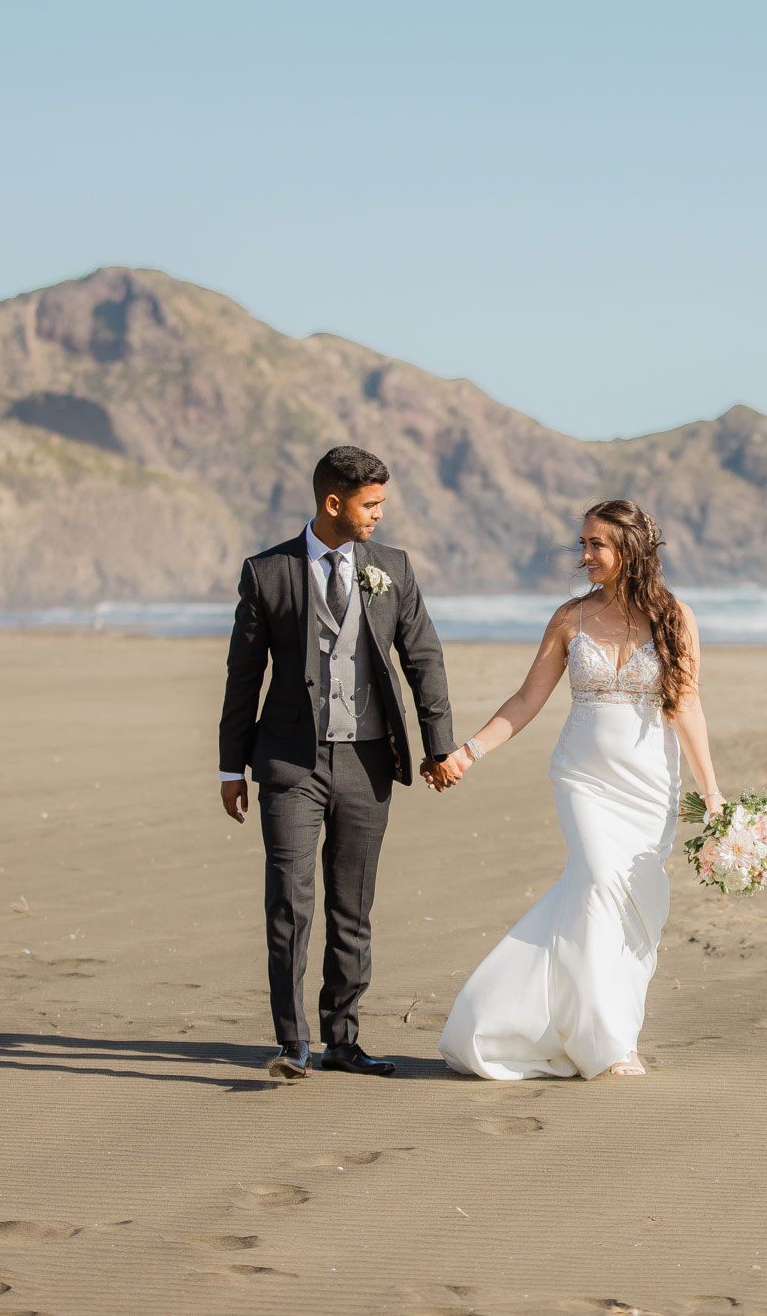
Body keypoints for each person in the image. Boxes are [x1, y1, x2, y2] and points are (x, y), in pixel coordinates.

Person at [436, 499, 721, 1079]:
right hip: (583, 779)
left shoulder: (675, 618)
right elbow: (526, 700)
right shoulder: (570, 619)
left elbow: (687, 709)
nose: (584, 555)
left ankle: (592, 1023)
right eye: (583, 543)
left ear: (632, 551)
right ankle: (608, 1045)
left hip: (648, 789)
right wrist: (469, 752)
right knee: (595, 883)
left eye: (598, 545)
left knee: (632, 909)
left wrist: (712, 794)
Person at [217, 445, 457, 1079]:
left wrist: (438, 748)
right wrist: (228, 767)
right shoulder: (267, 572)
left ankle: (342, 1040)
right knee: (290, 902)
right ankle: (292, 1043)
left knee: (352, 905)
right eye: (370, 504)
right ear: (333, 503)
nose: (379, 514)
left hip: (369, 761)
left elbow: (423, 658)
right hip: (288, 763)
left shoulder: (393, 568)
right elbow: (244, 676)